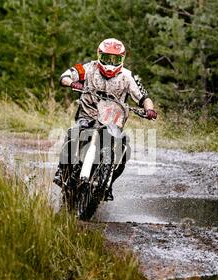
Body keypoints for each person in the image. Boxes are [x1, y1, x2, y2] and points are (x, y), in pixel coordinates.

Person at [54, 38, 157, 201]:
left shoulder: (128, 76)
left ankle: (107, 183)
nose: (110, 63)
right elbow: (65, 75)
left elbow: (144, 97)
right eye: (106, 58)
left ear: (122, 59)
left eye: (115, 59)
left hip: (113, 121)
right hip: (87, 115)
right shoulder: (87, 68)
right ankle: (62, 170)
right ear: (99, 55)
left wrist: (149, 109)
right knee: (74, 133)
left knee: (123, 150)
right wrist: (73, 83)